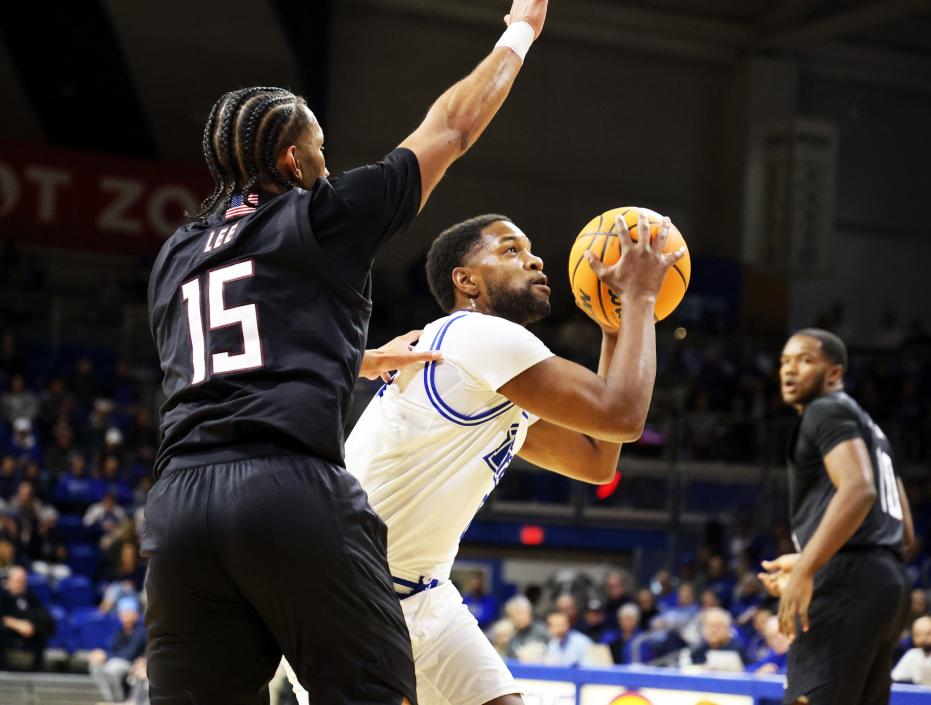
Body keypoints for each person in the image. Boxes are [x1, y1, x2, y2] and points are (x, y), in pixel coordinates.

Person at [143, 1, 550, 702]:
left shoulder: (176, 253)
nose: (329, 163)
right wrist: (521, 31)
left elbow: (218, 360)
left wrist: (356, 356)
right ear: (293, 159)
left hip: (178, 508)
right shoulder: (321, 214)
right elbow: (450, 128)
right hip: (284, 489)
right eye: (321, 149)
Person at [285, 207, 683, 705]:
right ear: (466, 280)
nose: (535, 261)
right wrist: (641, 296)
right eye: (511, 250)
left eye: (532, 250)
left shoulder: (493, 374)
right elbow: (623, 416)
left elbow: (596, 459)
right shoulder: (477, 335)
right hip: (345, 593)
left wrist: (613, 325)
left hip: (423, 593)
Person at [759, 329, 914, 705]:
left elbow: (859, 489)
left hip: (849, 584)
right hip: (887, 585)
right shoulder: (871, 428)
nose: (790, 370)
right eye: (784, 361)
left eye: (805, 360)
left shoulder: (824, 410)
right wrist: (812, 559)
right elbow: (903, 533)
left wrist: (809, 569)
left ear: (834, 373)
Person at [89, 596, 148, 702]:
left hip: (133, 663)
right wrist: (100, 654)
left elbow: (130, 653)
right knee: (96, 666)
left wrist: (106, 656)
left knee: (113, 668)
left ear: (135, 615)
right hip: (117, 660)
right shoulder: (119, 631)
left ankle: (119, 700)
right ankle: (110, 698)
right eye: (123, 614)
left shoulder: (141, 632)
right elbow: (113, 649)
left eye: (128, 614)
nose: (125, 617)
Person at [0, 566, 53, 670]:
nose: (21, 584)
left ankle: (36, 672)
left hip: (29, 635)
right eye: (18, 581)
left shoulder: (30, 597)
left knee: (42, 633)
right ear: (8, 581)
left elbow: (44, 617)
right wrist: (15, 624)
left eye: (24, 581)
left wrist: (32, 627)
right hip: (6, 635)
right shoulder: (2, 597)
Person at [503, 594, 549, 661]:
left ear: (530, 613)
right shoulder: (511, 639)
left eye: (521, 613)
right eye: (514, 615)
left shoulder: (543, 632)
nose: (519, 618)